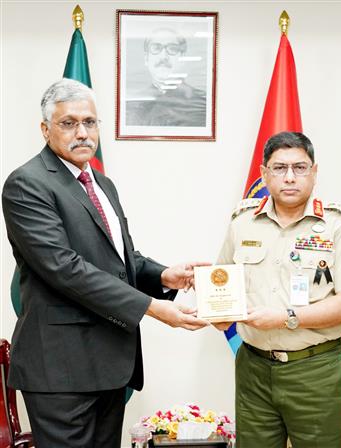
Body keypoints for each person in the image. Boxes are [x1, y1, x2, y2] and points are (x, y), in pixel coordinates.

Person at [2, 78, 210, 448]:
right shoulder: (27, 184)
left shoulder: (101, 183)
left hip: (110, 364)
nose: (82, 133)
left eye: (90, 122)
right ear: (45, 129)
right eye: (69, 123)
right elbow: (65, 268)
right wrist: (152, 308)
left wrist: (164, 276)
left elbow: (122, 259)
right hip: (60, 371)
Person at [215, 131, 341, 448]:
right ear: (263, 173)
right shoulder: (242, 222)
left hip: (316, 369)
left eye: (300, 168)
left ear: (314, 172)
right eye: (279, 168)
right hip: (253, 368)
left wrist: (285, 317)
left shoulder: (340, 224)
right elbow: (222, 283)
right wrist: (216, 312)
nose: (290, 177)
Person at [125, 28, 207, 127]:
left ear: (182, 58)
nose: (163, 56)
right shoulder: (130, 105)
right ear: (146, 59)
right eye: (156, 48)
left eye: (172, 49)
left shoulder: (202, 104)